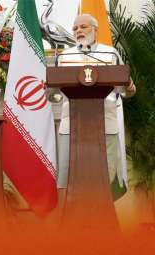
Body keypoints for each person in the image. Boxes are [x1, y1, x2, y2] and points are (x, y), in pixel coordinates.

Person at [56, 14, 136, 206]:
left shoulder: (110, 54)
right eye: (75, 28)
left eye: (83, 27)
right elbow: (54, 92)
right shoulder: (64, 56)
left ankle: (103, 223)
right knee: (69, 178)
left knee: (104, 179)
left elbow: (126, 91)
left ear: (95, 29)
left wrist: (130, 88)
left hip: (104, 124)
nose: (78, 31)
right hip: (71, 125)